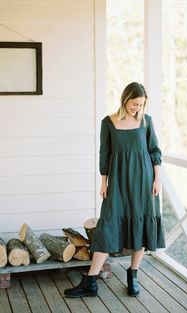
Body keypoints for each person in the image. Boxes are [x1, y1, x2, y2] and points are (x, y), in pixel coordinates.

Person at [64, 82, 165, 298]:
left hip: (143, 181)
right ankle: (91, 281)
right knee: (106, 227)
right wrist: (104, 182)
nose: (137, 108)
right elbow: (105, 154)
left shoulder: (146, 122)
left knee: (140, 223)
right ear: (125, 98)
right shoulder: (108, 122)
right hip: (118, 181)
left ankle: (133, 274)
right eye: (134, 103)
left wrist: (157, 179)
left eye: (141, 105)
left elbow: (154, 151)